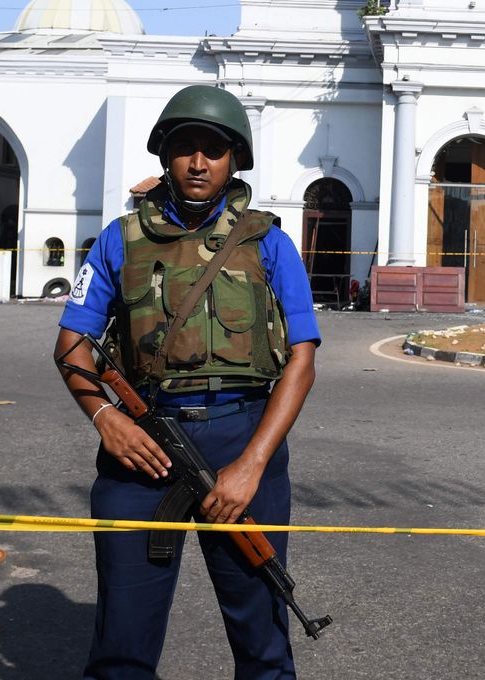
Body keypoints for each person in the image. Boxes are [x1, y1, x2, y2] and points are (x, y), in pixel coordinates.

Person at [54, 84, 320, 680]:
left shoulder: (269, 242)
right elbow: (71, 347)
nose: (199, 163)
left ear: (234, 160)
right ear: (164, 156)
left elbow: (301, 361)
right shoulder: (117, 240)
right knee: (121, 642)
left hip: (242, 439)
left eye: (214, 150)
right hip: (143, 447)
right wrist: (108, 420)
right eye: (184, 148)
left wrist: (251, 465)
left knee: (263, 640)